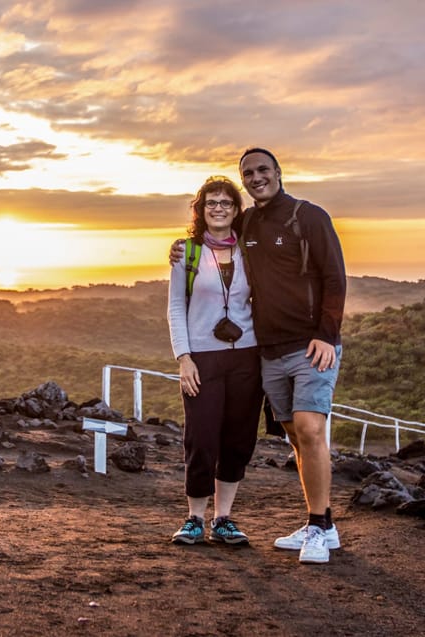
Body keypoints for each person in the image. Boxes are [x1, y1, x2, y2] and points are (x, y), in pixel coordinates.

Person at [169, 148, 347, 564]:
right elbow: (183, 294)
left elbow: (334, 277)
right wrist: (184, 355)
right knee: (288, 435)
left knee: (304, 429)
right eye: (248, 173)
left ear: (279, 172)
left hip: (302, 347)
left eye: (263, 170)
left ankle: (317, 525)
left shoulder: (308, 216)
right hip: (261, 352)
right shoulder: (234, 230)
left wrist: (326, 333)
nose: (256, 177)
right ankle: (320, 523)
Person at [167, 176, 263, 545]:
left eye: (226, 203)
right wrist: (184, 357)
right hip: (203, 358)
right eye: (211, 203)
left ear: (237, 211)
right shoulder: (186, 253)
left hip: (246, 357)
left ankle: (223, 519)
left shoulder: (250, 252)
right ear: (201, 210)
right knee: (201, 437)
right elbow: (176, 308)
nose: (218, 208)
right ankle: (194, 517)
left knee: (237, 439)